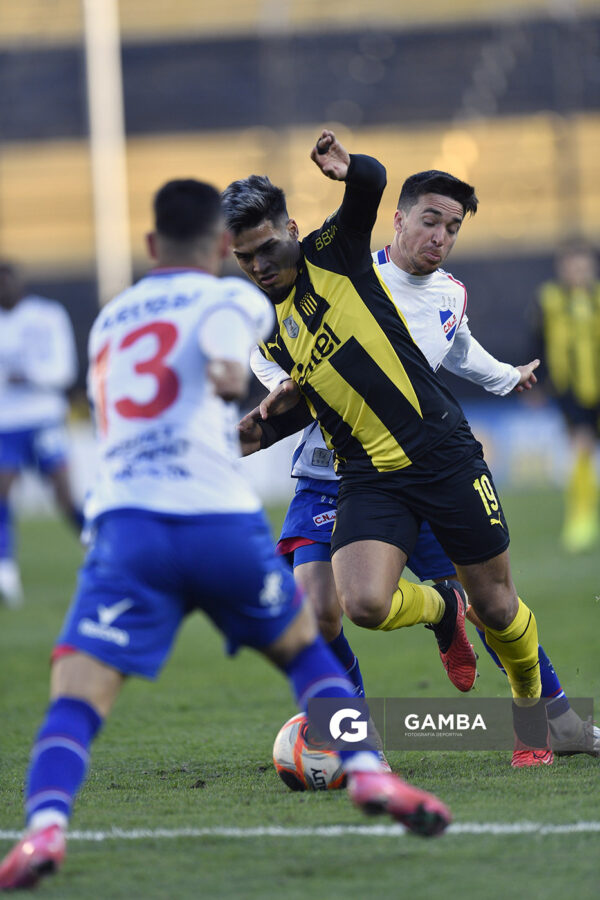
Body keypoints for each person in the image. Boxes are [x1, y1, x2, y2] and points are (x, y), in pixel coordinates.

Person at [0, 180, 452, 893]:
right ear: (219, 246)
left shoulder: (110, 318)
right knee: (307, 654)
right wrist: (220, 374)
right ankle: (367, 773)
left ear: (151, 246)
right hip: (215, 521)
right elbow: (217, 349)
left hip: (126, 526)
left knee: (76, 694)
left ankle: (46, 826)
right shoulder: (236, 299)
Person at [222, 130, 553, 767]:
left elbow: (371, 186)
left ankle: (531, 710)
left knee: (499, 605)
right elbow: (293, 412)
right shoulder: (269, 326)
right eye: (245, 258)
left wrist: (351, 171)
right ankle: (438, 609)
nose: (259, 265)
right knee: (363, 604)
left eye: (266, 248)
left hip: (441, 452)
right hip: (366, 473)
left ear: (291, 228)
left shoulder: (331, 251)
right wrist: (236, 440)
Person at [0, 263, 82, 607]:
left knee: (64, 496)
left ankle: (106, 549)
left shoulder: (48, 315)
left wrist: (29, 375)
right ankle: (6, 574)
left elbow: (65, 370)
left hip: (44, 417)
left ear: (20, 281)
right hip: (5, 424)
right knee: (2, 494)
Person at [533, 240, 600, 553]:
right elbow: (537, 340)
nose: (579, 273)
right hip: (571, 388)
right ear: (563, 268)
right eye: (573, 266)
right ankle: (581, 516)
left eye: (584, 267)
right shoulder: (550, 299)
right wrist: (538, 381)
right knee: (581, 447)